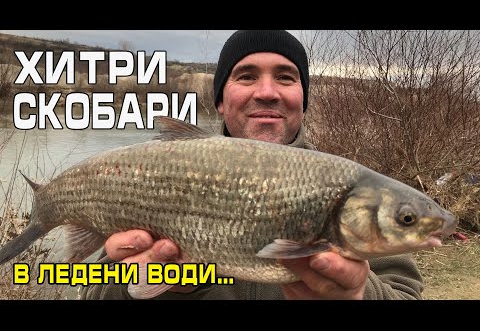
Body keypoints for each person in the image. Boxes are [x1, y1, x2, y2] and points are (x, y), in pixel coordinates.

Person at [80, 30, 424, 300]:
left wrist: (357, 294)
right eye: (246, 76)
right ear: (219, 100)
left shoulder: (358, 192)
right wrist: (174, 289)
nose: (267, 92)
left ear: (302, 100)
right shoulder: (148, 178)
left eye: (287, 77)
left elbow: (405, 292)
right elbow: (94, 291)